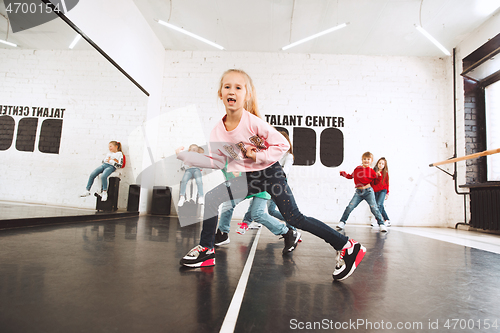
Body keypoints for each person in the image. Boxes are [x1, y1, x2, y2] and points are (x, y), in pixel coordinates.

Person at [176, 69, 366, 281]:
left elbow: (283, 144)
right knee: (212, 198)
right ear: (220, 93)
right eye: (227, 87)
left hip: (270, 172)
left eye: (238, 87)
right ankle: (206, 250)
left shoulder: (252, 122)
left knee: (294, 217)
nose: (232, 91)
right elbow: (218, 161)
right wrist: (188, 157)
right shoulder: (217, 132)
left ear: (246, 94)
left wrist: (256, 155)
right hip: (250, 178)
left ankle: (347, 246)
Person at [213, 161, 301, 255]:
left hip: (260, 187)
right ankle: (222, 234)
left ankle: (288, 233)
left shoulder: (236, 154)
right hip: (244, 186)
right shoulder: (221, 157)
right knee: (228, 203)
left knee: (257, 214)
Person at [337, 152, 387, 232]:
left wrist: (379, 177)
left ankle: (381, 224)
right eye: (364, 159)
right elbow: (351, 176)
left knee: (374, 208)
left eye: (368, 159)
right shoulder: (357, 169)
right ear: (362, 160)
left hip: (368, 192)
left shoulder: (372, 172)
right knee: (350, 207)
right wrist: (343, 174)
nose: (366, 160)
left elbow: (376, 183)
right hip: (358, 192)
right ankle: (342, 222)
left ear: (371, 161)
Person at [372, 157, 391, 227]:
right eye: (379, 163)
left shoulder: (385, 173)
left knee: (379, 204)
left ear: (384, 166)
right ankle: (387, 220)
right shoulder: (373, 172)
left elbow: (387, 183)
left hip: (383, 190)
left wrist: (387, 193)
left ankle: (377, 220)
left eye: (383, 164)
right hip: (375, 191)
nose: (381, 165)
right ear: (377, 164)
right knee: (380, 206)